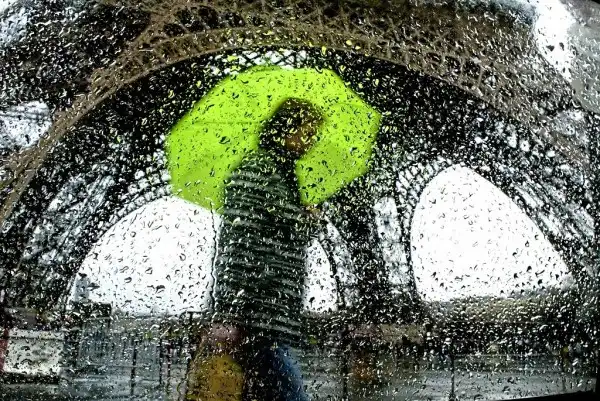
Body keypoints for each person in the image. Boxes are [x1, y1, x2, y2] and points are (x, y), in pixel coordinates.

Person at [186, 98, 323, 401]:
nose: (312, 142)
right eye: (308, 132)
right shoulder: (261, 171)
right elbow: (242, 243)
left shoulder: (278, 174)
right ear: (287, 129)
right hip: (258, 314)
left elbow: (268, 234)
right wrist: (234, 310)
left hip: (265, 312)